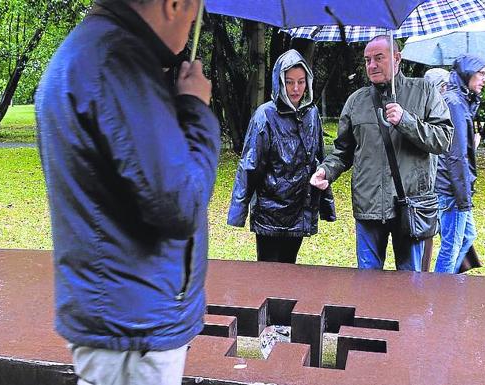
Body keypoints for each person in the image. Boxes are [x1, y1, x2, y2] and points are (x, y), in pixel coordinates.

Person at [35, 0, 220, 384]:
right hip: (134, 324)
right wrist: (195, 108)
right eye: (192, 15)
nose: (190, 30)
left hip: (123, 312)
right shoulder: (118, 63)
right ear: (173, 5)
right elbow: (179, 204)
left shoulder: (91, 51)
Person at [310, 35, 453, 271]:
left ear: (397, 58)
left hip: (411, 207)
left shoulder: (424, 91)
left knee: (410, 287)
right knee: (367, 286)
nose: (372, 65)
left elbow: (443, 140)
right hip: (369, 207)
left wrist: (405, 120)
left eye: (379, 58)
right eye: (367, 60)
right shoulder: (356, 102)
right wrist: (326, 171)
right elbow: (342, 151)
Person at [227, 49, 336, 264]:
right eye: (289, 82)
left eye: (301, 82)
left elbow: (318, 159)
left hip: (300, 210)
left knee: (290, 273)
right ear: (279, 82)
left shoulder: (311, 114)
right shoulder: (264, 116)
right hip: (270, 214)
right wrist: (238, 211)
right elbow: (250, 166)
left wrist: (326, 205)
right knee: (269, 278)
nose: (296, 88)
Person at [434, 55, 485, 273]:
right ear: (467, 73)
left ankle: (447, 286)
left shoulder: (461, 101)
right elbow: (455, 156)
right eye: (482, 73)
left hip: (455, 187)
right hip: (451, 189)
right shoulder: (455, 102)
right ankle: (439, 295)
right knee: (451, 247)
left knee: (467, 236)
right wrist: (463, 198)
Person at [421, 67, 450, 272]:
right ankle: (428, 279)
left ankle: (426, 276)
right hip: (434, 186)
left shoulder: (441, 112)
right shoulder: (429, 110)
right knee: (427, 236)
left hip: (436, 184)